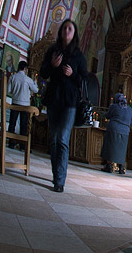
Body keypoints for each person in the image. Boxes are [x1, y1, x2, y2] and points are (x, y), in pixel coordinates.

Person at [39, 19, 88, 192]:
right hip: (54, 99)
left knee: (62, 139)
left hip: (70, 102)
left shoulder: (79, 56)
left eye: (70, 29)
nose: (67, 31)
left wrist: (73, 74)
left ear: (74, 34)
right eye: (65, 28)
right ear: (61, 31)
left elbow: (84, 80)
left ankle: (60, 181)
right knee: (53, 139)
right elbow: (43, 73)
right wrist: (53, 66)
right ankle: (56, 176)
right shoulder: (52, 50)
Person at [101, 93, 132, 175]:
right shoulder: (130, 110)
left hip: (113, 129)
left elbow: (107, 116)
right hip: (125, 131)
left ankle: (108, 166)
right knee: (121, 150)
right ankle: (121, 168)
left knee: (110, 147)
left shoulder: (114, 106)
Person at [7, 61, 38, 148]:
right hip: (25, 105)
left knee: (12, 123)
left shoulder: (13, 77)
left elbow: (8, 90)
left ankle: (11, 143)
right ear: (25, 69)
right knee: (23, 124)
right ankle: (22, 145)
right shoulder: (28, 79)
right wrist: (35, 83)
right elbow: (36, 90)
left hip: (15, 103)